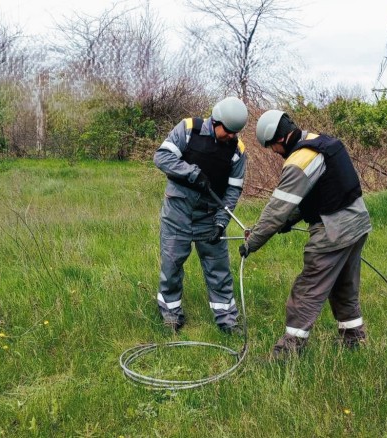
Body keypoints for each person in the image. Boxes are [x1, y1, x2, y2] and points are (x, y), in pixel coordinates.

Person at [239, 110, 372, 359]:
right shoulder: (322, 141)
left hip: (333, 232)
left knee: (306, 291)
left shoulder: (299, 160)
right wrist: (288, 222)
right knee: (344, 287)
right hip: (358, 223)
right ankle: (354, 340)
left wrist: (253, 242)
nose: (275, 153)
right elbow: (317, 194)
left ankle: (287, 352)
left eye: (272, 148)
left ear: (279, 140)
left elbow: (276, 210)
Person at [154, 96, 248, 334]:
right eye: (228, 131)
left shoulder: (237, 151)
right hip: (178, 212)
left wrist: (221, 222)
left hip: (209, 215)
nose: (232, 136)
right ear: (215, 121)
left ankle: (227, 320)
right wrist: (191, 173)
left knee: (219, 270)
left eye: (236, 133)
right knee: (172, 265)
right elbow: (162, 157)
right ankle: (171, 315)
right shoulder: (188, 129)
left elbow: (233, 189)